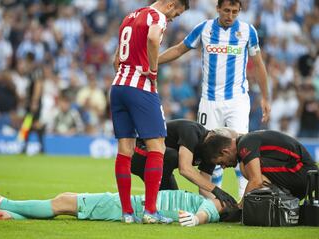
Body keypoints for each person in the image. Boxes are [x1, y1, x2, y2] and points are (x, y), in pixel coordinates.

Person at [158, 0, 271, 198]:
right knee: (209, 155)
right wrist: (153, 60)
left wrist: (265, 98)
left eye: (235, 12)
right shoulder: (205, 28)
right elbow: (178, 49)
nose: (230, 15)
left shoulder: (247, 31)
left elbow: (259, 65)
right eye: (226, 10)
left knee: (242, 152)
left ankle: (246, 202)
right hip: (209, 102)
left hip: (237, 101)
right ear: (217, 9)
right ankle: (209, 201)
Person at [110, 0, 189, 224]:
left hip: (117, 87)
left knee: (125, 149)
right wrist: (153, 70)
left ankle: (127, 213)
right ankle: (151, 212)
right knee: (158, 147)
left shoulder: (130, 16)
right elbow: (154, 39)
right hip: (140, 87)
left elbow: (116, 59)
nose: (174, 18)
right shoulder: (157, 17)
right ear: (172, 3)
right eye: (177, 13)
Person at [0, 176, 224, 227]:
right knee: (65, 203)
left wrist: (196, 219)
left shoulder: (221, 204)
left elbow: (209, 209)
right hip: (134, 204)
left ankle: (2, 202)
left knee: (63, 202)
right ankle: (8, 215)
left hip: (131, 206)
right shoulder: (219, 200)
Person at [131, 119, 237, 206]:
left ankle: (150, 203)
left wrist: (222, 204)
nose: (222, 167)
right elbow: (185, 169)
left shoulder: (211, 154)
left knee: (174, 203)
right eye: (226, 162)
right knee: (173, 156)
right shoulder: (192, 131)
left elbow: (204, 189)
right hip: (138, 155)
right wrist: (216, 190)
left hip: (160, 166)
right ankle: (152, 200)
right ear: (224, 151)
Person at [201, 130, 318, 204]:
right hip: (304, 178)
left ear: (225, 151)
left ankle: (281, 195)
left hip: (303, 175)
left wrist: (239, 207)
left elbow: (256, 181)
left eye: (221, 162)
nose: (223, 167)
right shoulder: (246, 140)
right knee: (247, 166)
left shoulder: (244, 144)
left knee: (247, 168)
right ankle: (280, 198)